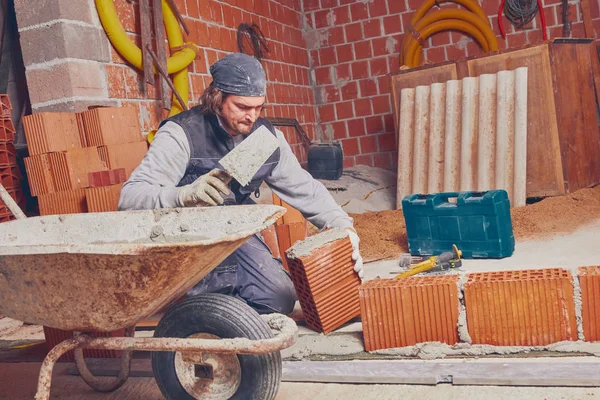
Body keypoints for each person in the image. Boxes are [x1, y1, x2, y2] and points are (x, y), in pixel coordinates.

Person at [118, 52, 363, 315]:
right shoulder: (183, 134)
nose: (252, 117)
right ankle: (202, 307)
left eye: (258, 108)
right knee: (187, 302)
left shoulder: (262, 139)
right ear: (216, 98)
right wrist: (183, 195)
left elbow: (306, 190)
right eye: (242, 107)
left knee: (279, 298)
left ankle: (221, 305)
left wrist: (344, 229)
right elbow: (129, 198)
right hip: (185, 237)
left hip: (232, 230)